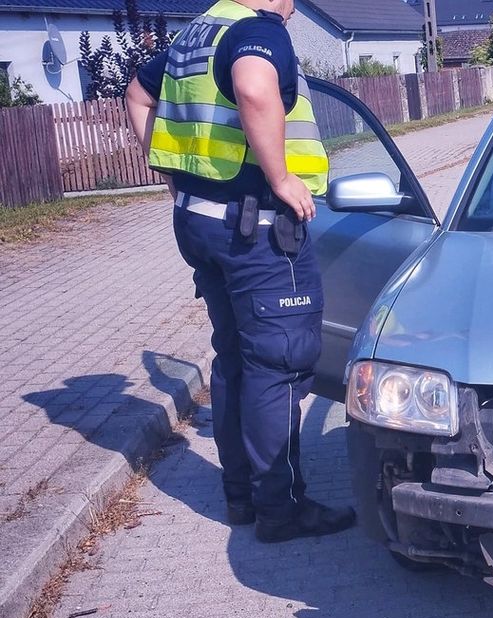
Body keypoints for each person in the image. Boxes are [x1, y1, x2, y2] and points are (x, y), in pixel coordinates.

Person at [125, 0, 355, 543]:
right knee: (276, 365)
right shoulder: (258, 30)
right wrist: (280, 177)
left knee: (234, 358)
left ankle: (242, 494)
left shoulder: (196, 33)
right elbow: (254, 89)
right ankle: (281, 509)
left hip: (200, 224)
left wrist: (172, 174)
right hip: (257, 231)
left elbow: (137, 93)